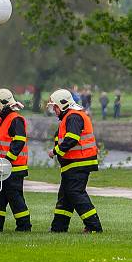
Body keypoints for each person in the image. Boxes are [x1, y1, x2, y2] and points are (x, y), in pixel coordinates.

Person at [46, 89, 103, 233]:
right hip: (72, 164)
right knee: (65, 196)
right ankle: (58, 228)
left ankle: (94, 226)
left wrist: (55, 151)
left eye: (55, 107)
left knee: (75, 193)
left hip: (78, 163)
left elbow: (71, 139)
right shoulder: (70, 117)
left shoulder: (73, 117)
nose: (54, 110)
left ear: (63, 104)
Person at [0, 88, 31, 232]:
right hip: (1, 168)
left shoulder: (15, 120)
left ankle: (24, 226)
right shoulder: (0, 120)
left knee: (15, 198)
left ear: (3, 105)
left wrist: (8, 161)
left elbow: (19, 141)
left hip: (14, 168)